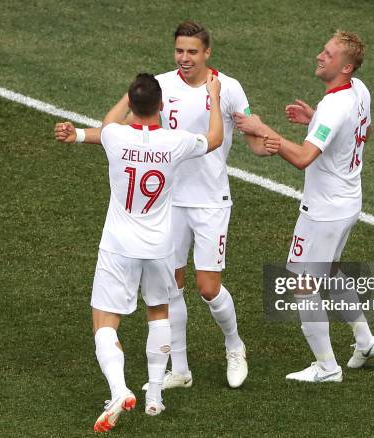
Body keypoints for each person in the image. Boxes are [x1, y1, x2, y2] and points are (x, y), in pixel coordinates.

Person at [59, 21, 275, 390]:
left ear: (208, 52)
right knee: (172, 287)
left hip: (210, 201)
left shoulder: (229, 89)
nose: (185, 58)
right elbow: (123, 131)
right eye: (180, 51)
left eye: (192, 51)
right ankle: (180, 369)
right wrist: (80, 134)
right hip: (169, 205)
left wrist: (264, 142)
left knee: (208, 287)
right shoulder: (161, 85)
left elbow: (250, 135)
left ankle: (234, 345)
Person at [54, 71, 223, 431]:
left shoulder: (114, 137)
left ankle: (118, 389)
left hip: (118, 245)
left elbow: (106, 125)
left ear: (131, 104)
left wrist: (118, 104)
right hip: (161, 245)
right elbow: (215, 138)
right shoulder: (176, 141)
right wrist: (215, 97)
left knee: (104, 320)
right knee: (159, 311)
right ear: (161, 106)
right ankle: (155, 396)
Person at [235, 30, 374, 383]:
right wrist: (316, 119)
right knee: (330, 271)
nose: (320, 56)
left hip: (323, 211)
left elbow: (303, 157)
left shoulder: (336, 106)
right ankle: (366, 341)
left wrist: (262, 128)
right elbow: (363, 128)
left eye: (328, 53)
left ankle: (326, 367)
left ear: (345, 66)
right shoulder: (359, 90)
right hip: (349, 203)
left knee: (304, 285)